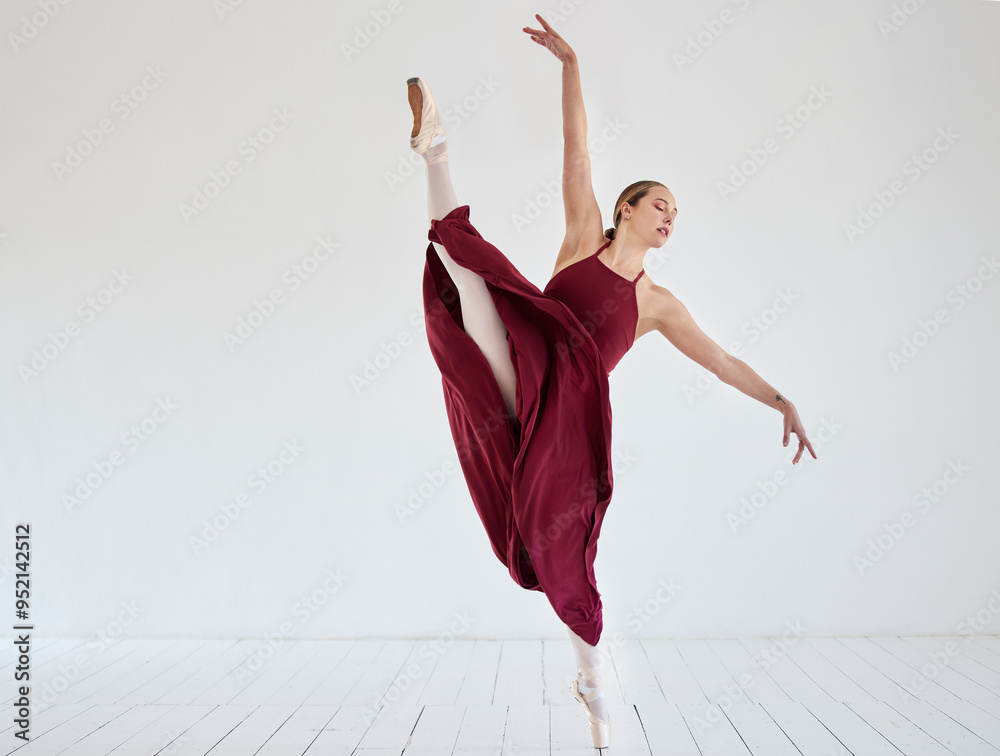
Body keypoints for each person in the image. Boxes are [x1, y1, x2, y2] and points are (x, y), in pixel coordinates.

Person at [409, 13, 817, 750]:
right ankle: (435, 148)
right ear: (626, 208)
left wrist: (780, 399)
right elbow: (578, 149)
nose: (669, 219)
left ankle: (595, 689)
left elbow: (722, 361)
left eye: (676, 214)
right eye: (661, 205)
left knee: (564, 556)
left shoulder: (657, 306)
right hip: (525, 359)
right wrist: (570, 64)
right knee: (471, 286)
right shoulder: (580, 236)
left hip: (565, 424)